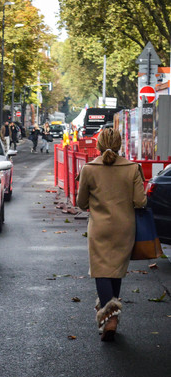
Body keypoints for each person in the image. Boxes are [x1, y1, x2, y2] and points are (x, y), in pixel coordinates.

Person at [76, 128, 147, 342]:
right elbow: (140, 202)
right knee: (116, 270)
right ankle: (111, 317)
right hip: (125, 227)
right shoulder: (133, 168)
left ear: (98, 145)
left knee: (101, 271)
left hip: (100, 227)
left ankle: (110, 318)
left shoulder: (89, 169)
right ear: (120, 144)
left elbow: (81, 203)